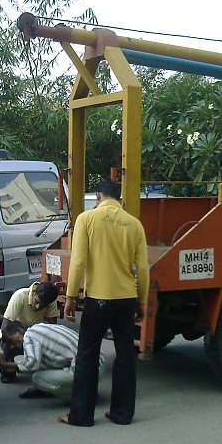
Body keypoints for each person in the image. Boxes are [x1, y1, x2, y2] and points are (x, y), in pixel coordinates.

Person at [60, 178, 149, 427]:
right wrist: (141, 301)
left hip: (98, 299)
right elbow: (142, 269)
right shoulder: (135, 225)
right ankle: (122, 414)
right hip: (126, 299)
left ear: (98, 196)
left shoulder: (87, 220)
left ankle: (81, 415)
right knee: (125, 356)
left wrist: (70, 297)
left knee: (87, 355)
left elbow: (78, 261)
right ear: (119, 198)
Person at [0, 320, 103, 400]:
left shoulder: (28, 336)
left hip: (88, 368)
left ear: (19, 331)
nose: (12, 346)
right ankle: (87, 389)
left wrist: (6, 364)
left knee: (37, 378)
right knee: (43, 364)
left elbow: (32, 363)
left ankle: (84, 396)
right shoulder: (38, 328)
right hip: (97, 360)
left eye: (11, 340)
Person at [0, 281, 60, 384]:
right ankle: (8, 372)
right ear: (34, 293)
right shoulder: (20, 296)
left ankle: (45, 374)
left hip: (35, 336)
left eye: (44, 306)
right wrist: (2, 345)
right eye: (37, 301)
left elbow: (52, 328)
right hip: (17, 335)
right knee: (6, 345)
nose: (38, 307)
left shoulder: (51, 303)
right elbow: (5, 327)